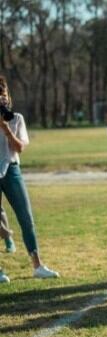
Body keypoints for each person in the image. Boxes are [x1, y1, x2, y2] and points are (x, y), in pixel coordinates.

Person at [0, 76, 59, 284]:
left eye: (4, 96)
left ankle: (38, 265)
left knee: (26, 218)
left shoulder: (17, 119)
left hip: (12, 169)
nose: (2, 100)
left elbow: (19, 148)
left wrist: (6, 129)